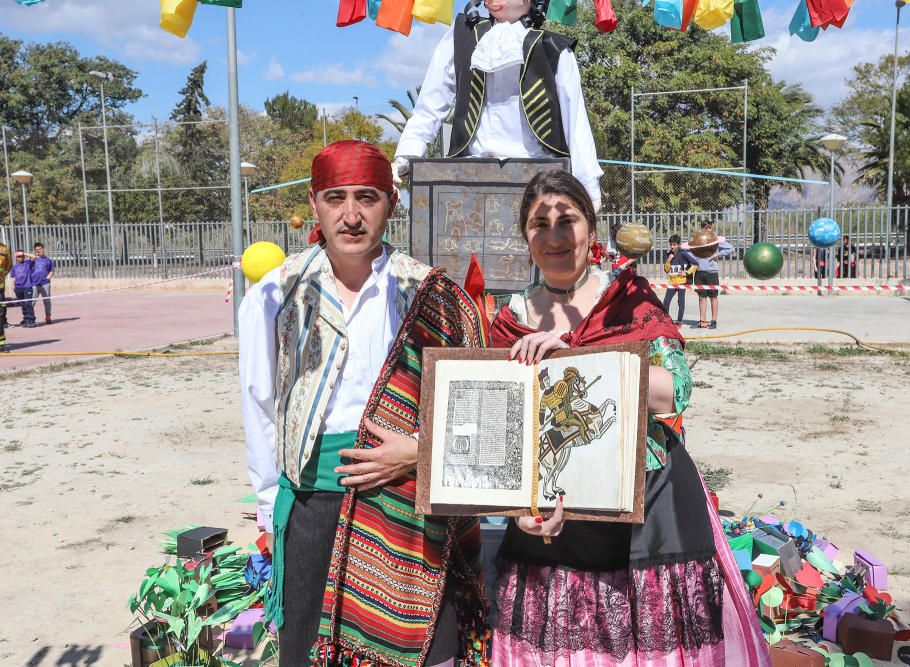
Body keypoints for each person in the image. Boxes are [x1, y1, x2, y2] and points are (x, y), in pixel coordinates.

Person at [488, 170, 769, 665]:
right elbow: (501, 434)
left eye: (567, 221)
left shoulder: (629, 300)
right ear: (525, 235)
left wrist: (574, 364)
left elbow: (674, 393)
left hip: (652, 512)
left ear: (591, 230)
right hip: (551, 527)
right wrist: (517, 511)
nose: (554, 235)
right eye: (539, 224)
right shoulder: (508, 321)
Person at [239, 140, 490, 667]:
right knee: (310, 651)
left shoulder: (428, 293)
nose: (351, 215)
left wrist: (420, 453)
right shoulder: (275, 295)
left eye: (367, 198)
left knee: (421, 653)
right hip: (312, 505)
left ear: (391, 203)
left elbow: (474, 408)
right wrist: (268, 508)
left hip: (408, 507)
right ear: (314, 204)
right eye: (336, 198)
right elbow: (261, 404)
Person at [392, 0, 603, 209]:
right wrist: (406, 155)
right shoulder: (461, 36)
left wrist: (589, 189)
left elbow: (576, 124)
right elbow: (430, 105)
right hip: (469, 177)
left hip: (538, 180)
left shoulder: (555, 49)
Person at [687, 221, 734, 329]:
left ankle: (713, 321)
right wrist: (695, 260)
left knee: (713, 297)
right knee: (701, 298)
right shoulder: (697, 240)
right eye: (705, 227)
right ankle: (702, 321)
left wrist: (719, 254)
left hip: (711, 272)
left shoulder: (715, 240)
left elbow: (731, 248)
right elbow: (688, 251)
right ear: (702, 228)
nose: (708, 229)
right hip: (699, 272)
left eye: (709, 228)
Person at [662, 233, 696, 325]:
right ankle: (666, 320)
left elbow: (696, 264)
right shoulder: (669, 254)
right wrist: (669, 260)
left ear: (679, 245)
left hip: (682, 282)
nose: (672, 246)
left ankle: (679, 321)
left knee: (680, 301)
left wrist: (687, 272)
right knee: (666, 301)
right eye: (671, 244)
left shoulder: (683, 254)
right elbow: (666, 269)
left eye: (674, 244)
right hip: (672, 282)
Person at [30, 242, 54, 324]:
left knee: (47, 301)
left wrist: (49, 276)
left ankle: (48, 317)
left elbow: (51, 270)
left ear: (43, 249)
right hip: (34, 284)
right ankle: (30, 318)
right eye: (36, 250)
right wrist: (32, 258)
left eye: (40, 249)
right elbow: (28, 265)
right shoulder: (34, 259)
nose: (38, 251)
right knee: (32, 302)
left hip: (45, 284)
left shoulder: (48, 260)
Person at [10, 251, 35, 328]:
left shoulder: (27, 264)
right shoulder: (14, 267)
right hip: (18, 288)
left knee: (28, 303)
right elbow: (13, 277)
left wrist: (23, 253)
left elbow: (34, 257)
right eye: (18, 256)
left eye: (21, 256)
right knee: (23, 304)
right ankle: (26, 318)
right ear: (16, 258)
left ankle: (31, 320)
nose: (20, 258)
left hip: (27, 287)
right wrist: (14, 288)